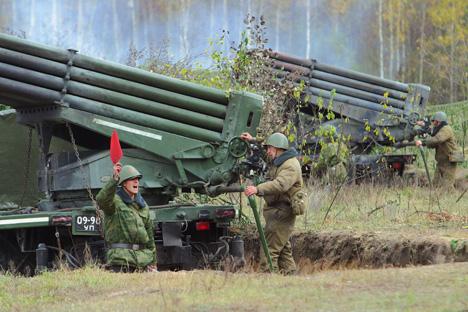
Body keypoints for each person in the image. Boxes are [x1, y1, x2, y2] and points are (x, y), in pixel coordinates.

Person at [240, 132, 303, 274]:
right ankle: (291, 278)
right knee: (283, 251)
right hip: (276, 211)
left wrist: (257, 189)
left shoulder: (290, 166)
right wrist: (252, 141)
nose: (267, 151)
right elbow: (265, 155)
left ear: (278, 148)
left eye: (269, 148)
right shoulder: (280, 160)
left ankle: (268, 279)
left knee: (269, 251)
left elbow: (280, 185)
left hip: (282, 212)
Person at [96, 162, 157, 272]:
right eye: (132, 179)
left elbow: (150, 237)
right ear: (124, 183)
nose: (136, 181)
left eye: (137, 179)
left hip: (143, 261)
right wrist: (114, 179)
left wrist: (153, 262)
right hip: (121, 260)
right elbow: (101, 199)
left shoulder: (143, 206)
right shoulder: (115, 202)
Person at [415, 111, 462, 189]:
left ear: (439, 121)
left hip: (450, 160)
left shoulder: (446, 129)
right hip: (442, 160)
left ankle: (450, 199)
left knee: (447, 185)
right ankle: (436, 198)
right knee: (436, 184)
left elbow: (437, 139)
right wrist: (423, 125)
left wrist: (422, 142)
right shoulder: (440, 129)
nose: (433, 123)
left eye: (434, 121)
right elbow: (433, 137)